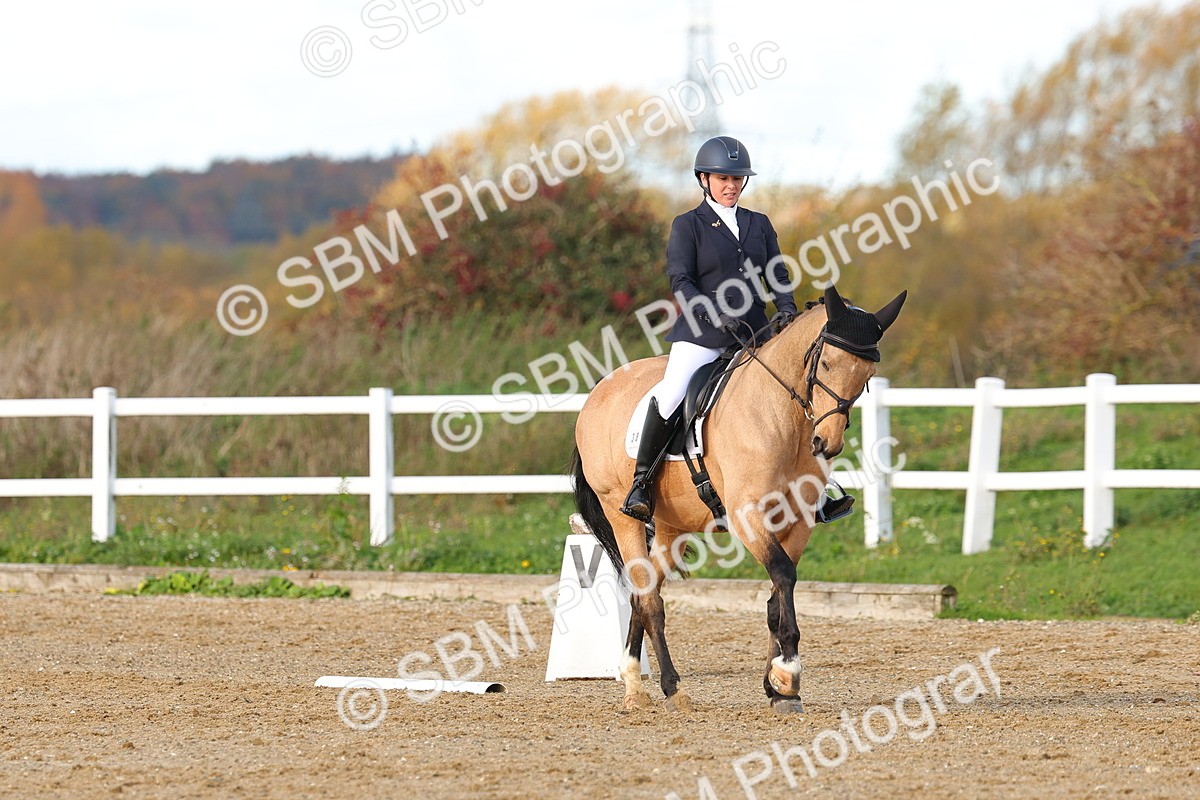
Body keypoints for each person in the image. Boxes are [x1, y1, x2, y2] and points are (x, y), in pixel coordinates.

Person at [620, 136, 799, 523]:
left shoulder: (759, 224)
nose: (731, 185)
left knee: (794, 393)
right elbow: (681, 280)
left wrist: (786, 307)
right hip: (702, 333)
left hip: (754, 331)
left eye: (737, 179)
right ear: (704, 178)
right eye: (722, 178)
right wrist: (714, 314)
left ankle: (816, 487)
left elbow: (777, 272)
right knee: (671, 395)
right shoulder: (689, 225)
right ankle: (641, 484)